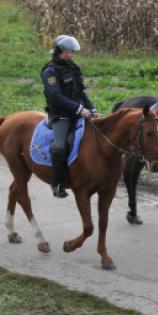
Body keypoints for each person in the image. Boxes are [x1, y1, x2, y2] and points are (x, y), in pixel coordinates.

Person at [41, 35, 97, 199]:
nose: (70, 54)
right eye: (67, 51)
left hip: (79, 112)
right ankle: (57, 183)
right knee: (59, 147)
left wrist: (91, 108)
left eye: (72, 52)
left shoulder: (73, 67)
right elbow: (55, 96)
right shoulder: (50, 71)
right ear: (59, 51)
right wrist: (78, 109)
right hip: (61, 115)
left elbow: (81, 93)